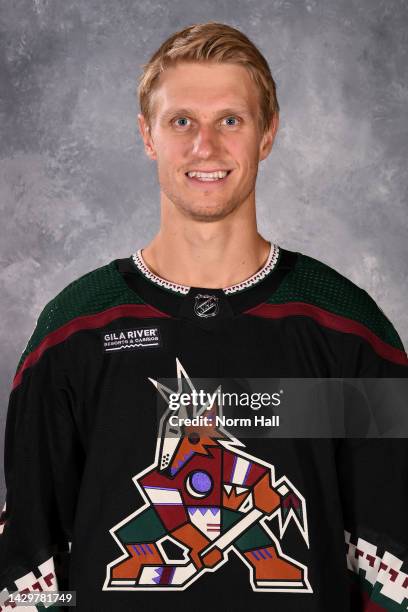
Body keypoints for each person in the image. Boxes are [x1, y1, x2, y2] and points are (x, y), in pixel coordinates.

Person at [0, 21, 407, 612]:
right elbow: (29, 569)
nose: (205, 147)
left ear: (267, 134)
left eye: (231, 120)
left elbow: (391, 560)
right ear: (148, 135)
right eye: (181, 121)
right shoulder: (72, 332)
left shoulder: (350, 329)